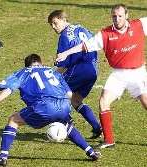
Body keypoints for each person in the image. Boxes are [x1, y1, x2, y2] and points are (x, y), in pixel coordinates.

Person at [56, 4, 147, 148]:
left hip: (137, 72)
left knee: (145, 102)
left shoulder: (140, 25)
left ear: (126, 16)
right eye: (114, 16)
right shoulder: (105, 34)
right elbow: (84, 45)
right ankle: (109, 140)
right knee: (103, 101)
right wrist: (66, 53)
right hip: (118, 74)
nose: (117, 19)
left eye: (120, 16)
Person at [0, 54, 101, 166]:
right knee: (66, 125)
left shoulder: (24, 72)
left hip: (44, 106)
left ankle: (2, 156)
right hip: (64, 104)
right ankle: (91, 152)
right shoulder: (53, 71)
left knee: (13, 120)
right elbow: (70, 94)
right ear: (40, 63)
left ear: (27, 65)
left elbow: (8, 89)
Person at [47, 10, 102, 139]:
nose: (54, 27)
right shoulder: (81, 27)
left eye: (55, 23)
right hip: (93, 70)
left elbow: (62, 65)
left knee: (55, 92)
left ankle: (66, 125)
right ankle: (97, 127)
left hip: (79, 69)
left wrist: (50, 78)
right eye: (51, 25)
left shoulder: (65, 37)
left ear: (63, 19)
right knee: (76, 100)